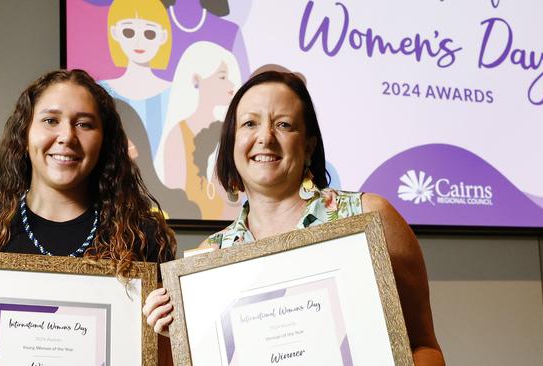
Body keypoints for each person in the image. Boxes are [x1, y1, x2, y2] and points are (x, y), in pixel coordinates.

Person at [143, 71, 445, 365]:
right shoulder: (208, 262)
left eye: (284, 125)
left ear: (308, 146)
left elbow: (424, 348)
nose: (265, 138)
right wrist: (176, 339)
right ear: (232, 143)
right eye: (249, 123)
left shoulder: (369, 217)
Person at [0, 69, 176, 279]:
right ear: (24, 135)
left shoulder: (144, 238)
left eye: (84, 124)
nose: (67, 136)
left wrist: (163, 323)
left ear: (104, 142)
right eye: (50, 121)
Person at [155, 41, 241, 218]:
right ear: (197, 79)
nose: (231, 84)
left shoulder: (232, 132)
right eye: (222, 77)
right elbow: (177, 199)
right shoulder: (178, 135)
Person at [100, 0, 173, 159]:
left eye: (149, 33)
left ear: (163, 36)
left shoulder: (175, 92)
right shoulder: (100, 92)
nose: (139, 42)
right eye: (129, 32)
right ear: (115, 32)